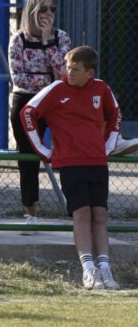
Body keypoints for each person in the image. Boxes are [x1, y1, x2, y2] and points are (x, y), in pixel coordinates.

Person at [20, 46, 122, 290]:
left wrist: (108, 145)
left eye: (75, 69)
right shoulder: (56, 88)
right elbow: (27, 112)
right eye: (68, 67)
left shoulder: (101, 88)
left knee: (100, 215)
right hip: (70, 163)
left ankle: (105, 268)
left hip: (97, 162)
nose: (69, 73)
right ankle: (88, 269)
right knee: (81, 213)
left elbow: (116, 113)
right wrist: (43, 150)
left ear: (89, 72)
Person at [8, 0, 71, 231]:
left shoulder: (60, 38)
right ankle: (30, 212)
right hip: (26, 102)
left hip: (54, 101)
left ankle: (75, 206)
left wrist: (46, 42)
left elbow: (65, 74)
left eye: (52, 9)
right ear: (32, 11)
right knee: (28, 157)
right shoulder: (18, 39)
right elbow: (19, 78)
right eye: (43, 9)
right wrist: (49, 79)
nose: (48, 14)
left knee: (68, 150)